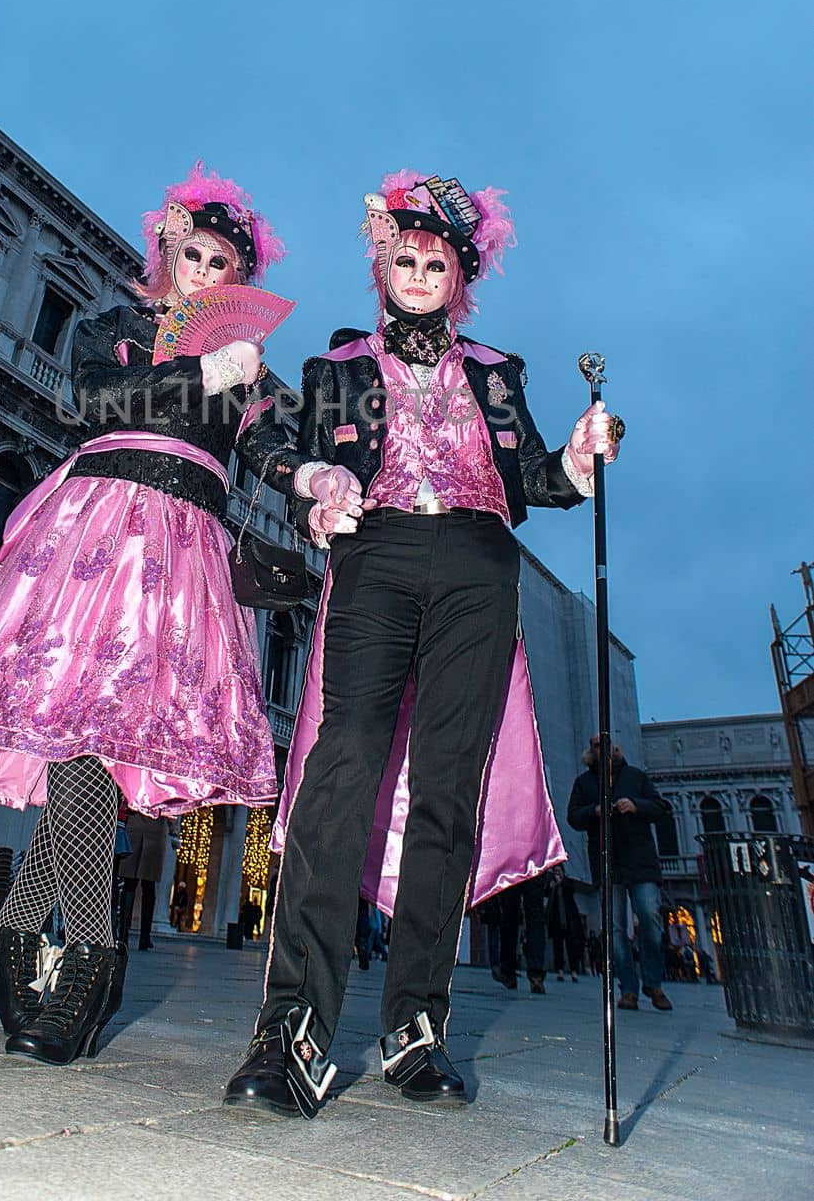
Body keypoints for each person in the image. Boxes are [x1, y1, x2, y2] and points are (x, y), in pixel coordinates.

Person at [224, 170, 623, 1119]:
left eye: (433, 260)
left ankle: (416, 1024)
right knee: (340, 766)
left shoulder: (496, 371)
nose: (415, 271)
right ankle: (294, 1028)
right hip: (378, 552)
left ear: (459, 273)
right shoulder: (338, 368)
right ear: (381, 265)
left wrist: (578, 453)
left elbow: (533, 476)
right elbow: (269, 446)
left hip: (482, 563)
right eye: (401, 257)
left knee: (449, 783)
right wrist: (314, 475)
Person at [0, 165, 299, 1065]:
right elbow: (95, 405)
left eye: (220, 262)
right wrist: (199, 373)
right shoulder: (112, 329)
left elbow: (270, 445)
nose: (201, 270)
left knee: (96, 741)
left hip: (185, 543)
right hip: (97, 526)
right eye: (189, 252)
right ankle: (91, 957)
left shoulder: (250, 361)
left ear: (237, 279)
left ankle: (1, 943)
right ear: (165, 252)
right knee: (79, 731)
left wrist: (314, 478)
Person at [566, 735, 673, 1013]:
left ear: (616, 748)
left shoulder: (636, 777)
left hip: (640, 858)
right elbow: (573, 816)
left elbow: (661, 808)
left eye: (606, 744)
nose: (602, 749)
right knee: (614, 928)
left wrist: (635, 805)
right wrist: (595, 811)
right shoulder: (584, 783)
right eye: (596, 745)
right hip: (607, 861)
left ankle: (653, 981)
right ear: (591, 751)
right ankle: (628, 988)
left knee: (650, 916)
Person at [117, 810, 169, 951]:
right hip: (156, 831)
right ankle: (145, 936)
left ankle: (123, 934)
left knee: (129, 884)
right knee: (149, 886)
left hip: (134, 828)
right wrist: (174, 832)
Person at [496, 873, 548, 994]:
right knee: (535, 916)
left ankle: (508, 971)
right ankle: (536, 975)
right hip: (535, 862)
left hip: (511, 863)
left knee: (509, 915)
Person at [546, 865, 584, 981]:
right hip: (556, 921)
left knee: (571, 946)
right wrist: (552, 886)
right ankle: (560, 970)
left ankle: (574, 971)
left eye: (559, 871)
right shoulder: (552, 885)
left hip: (569, 920)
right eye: (555, 871)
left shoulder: (567, 883)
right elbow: (546, 893)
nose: (557, 873)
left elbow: (571, 890)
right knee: (558, 947)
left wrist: (561, 883)